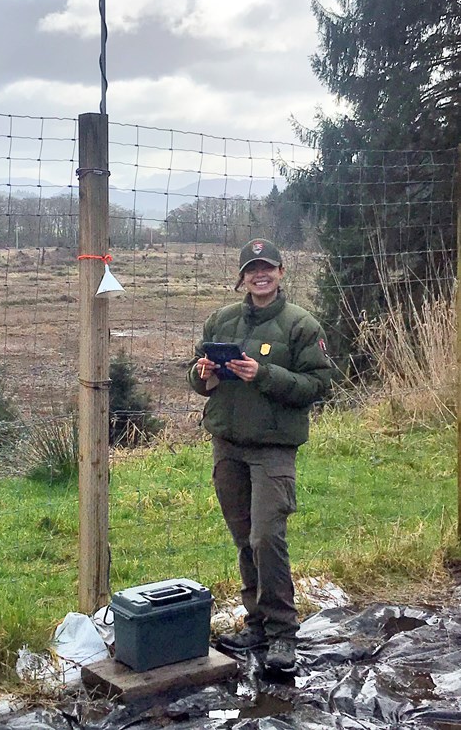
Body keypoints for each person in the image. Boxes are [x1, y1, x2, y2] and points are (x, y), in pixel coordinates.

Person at [187, 238, 332, 671]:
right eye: (252, 269)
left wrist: (263, 374)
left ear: (281, 272)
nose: (260, 275)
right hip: (227, 446)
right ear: (242, 277)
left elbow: (319, 385)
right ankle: (255, 623)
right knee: (244, 539)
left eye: (267, 267)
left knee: (267, 539)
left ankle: (283, 634)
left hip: (273, 450)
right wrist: (204, 375)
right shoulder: (221, 321)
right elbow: (195, 378)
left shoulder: (301, 326)